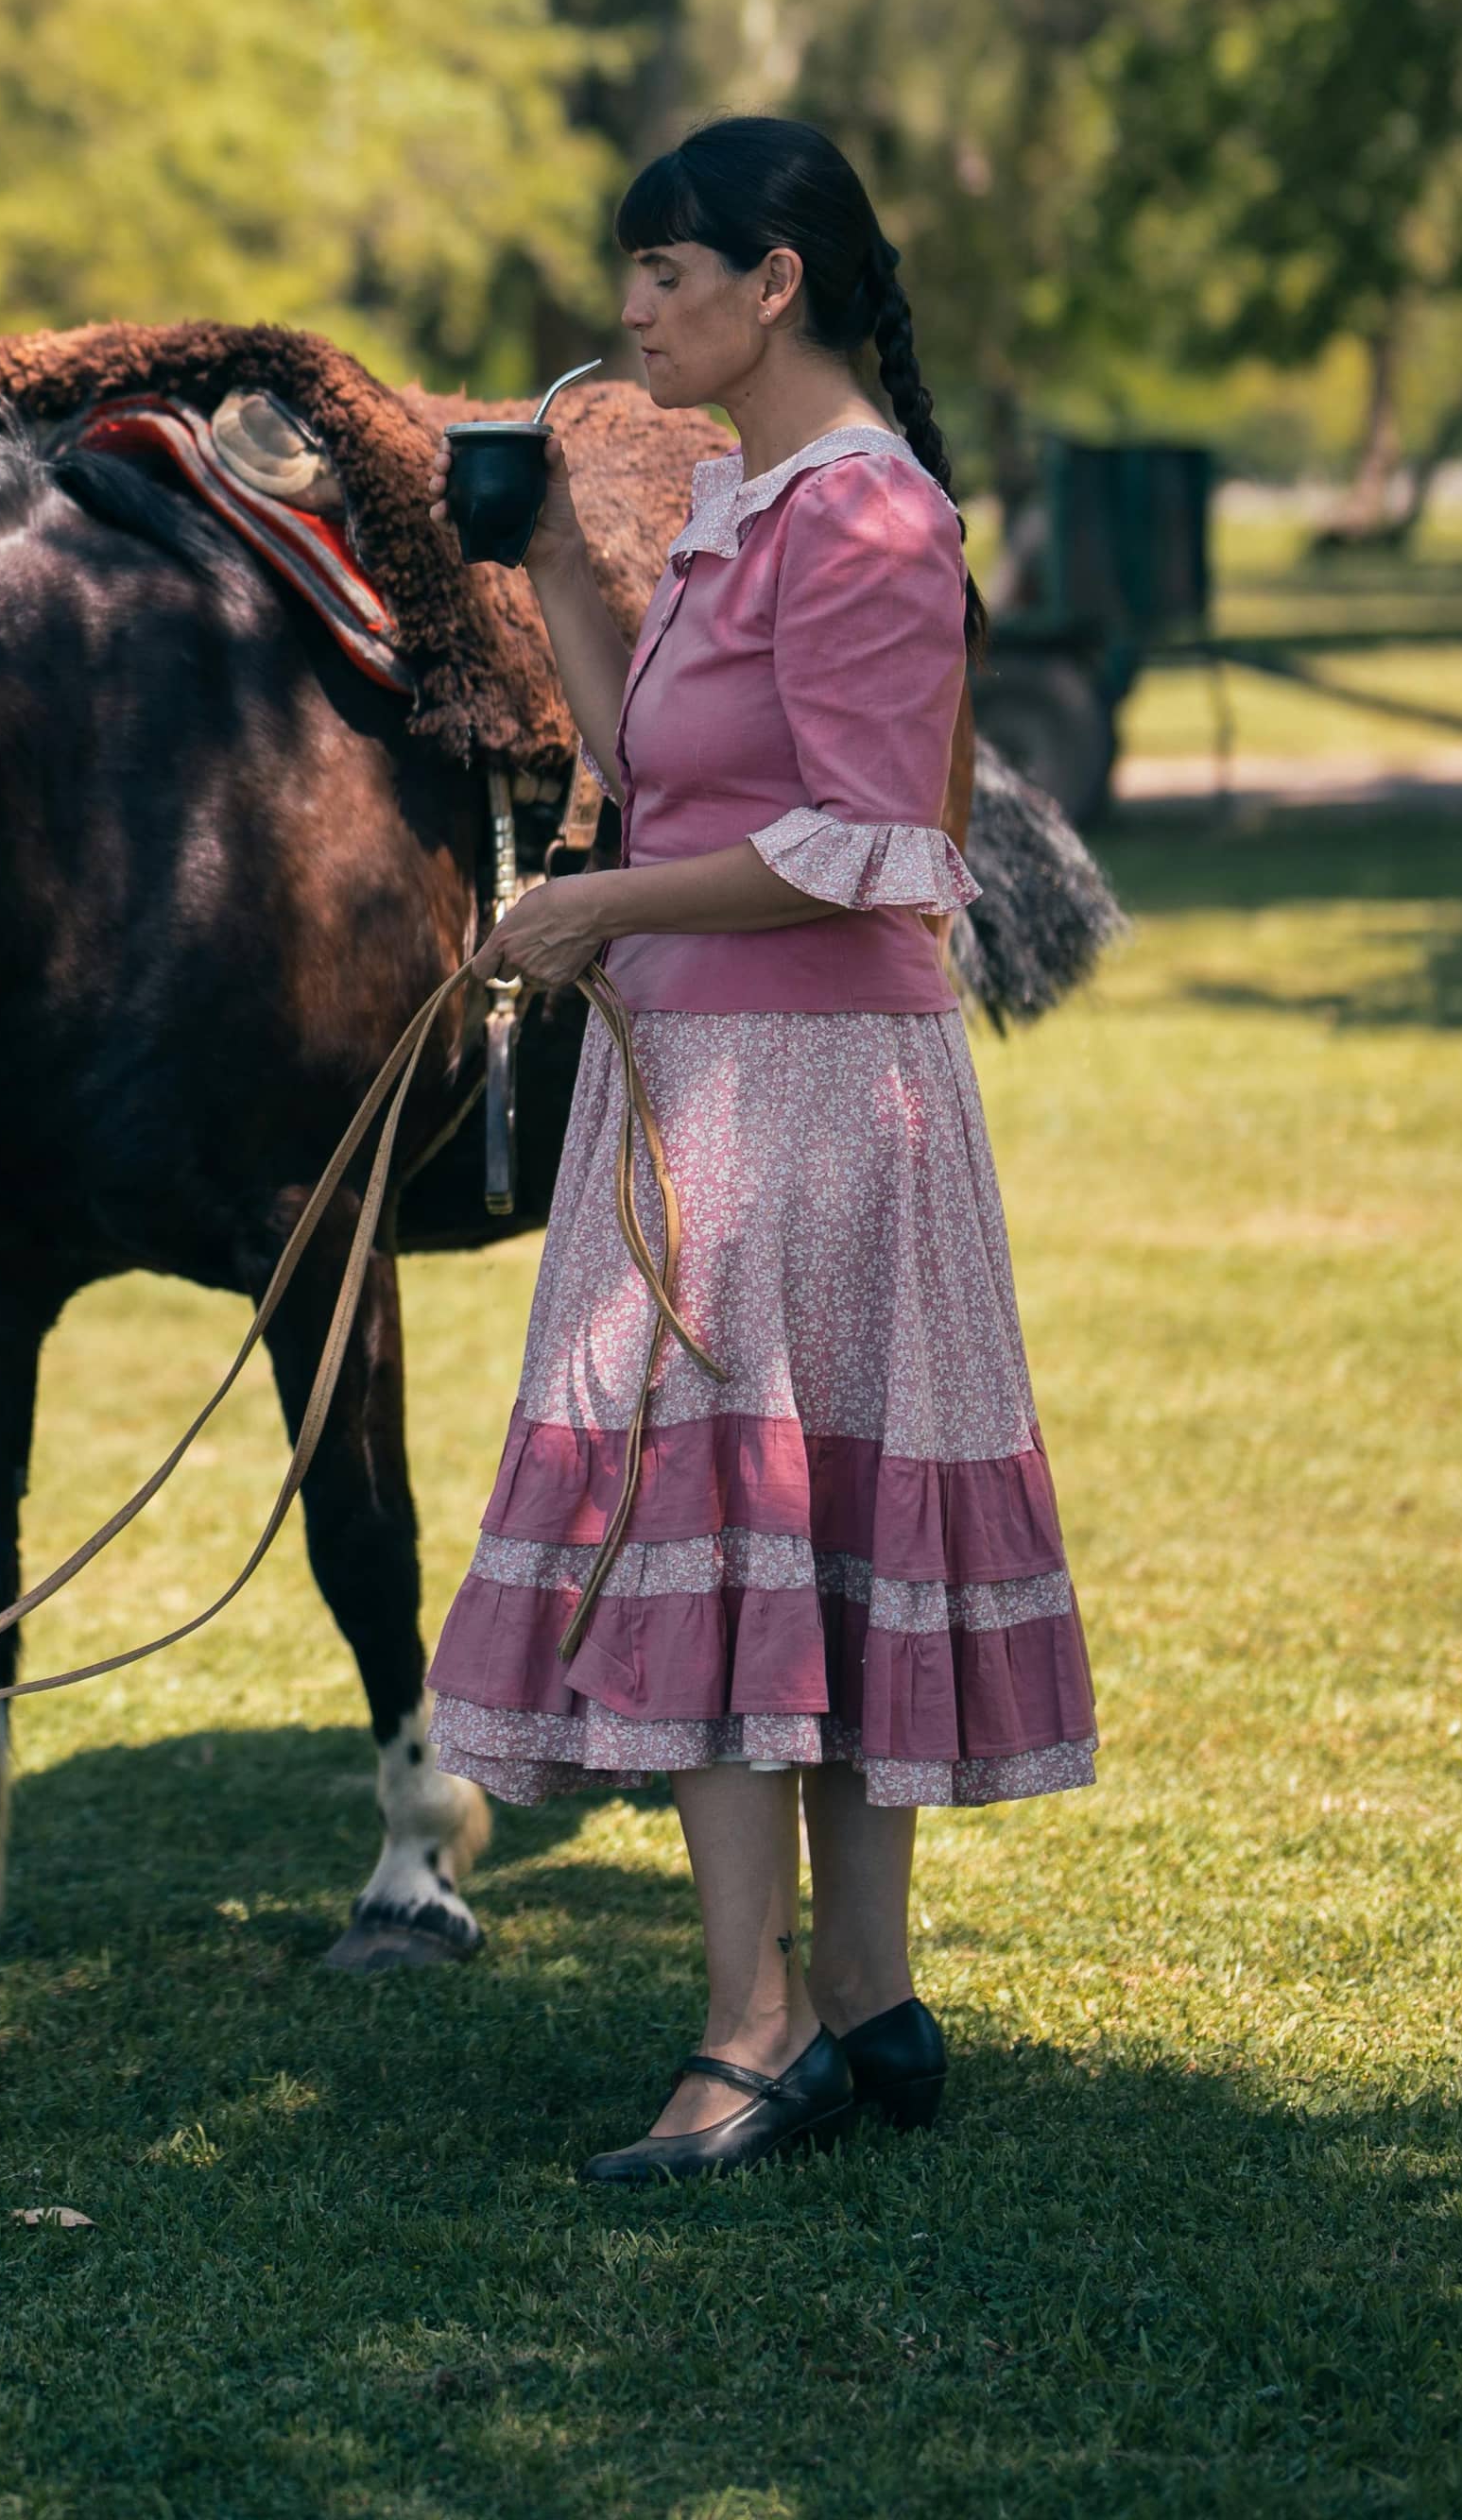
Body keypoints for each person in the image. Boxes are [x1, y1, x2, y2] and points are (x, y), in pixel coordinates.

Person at [428, 116, 1095, 2183]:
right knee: (781, 1529)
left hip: (802, 1094)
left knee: (718, 1513)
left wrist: (600, 918)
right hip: (708, 1072)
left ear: (774, 279)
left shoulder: (871, 519)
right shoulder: (747, 501)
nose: (629, 320)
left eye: (663, 276)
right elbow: (664, 786)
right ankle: (868, 2003)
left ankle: (757, 2026)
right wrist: (551, 564)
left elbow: (868, 851)